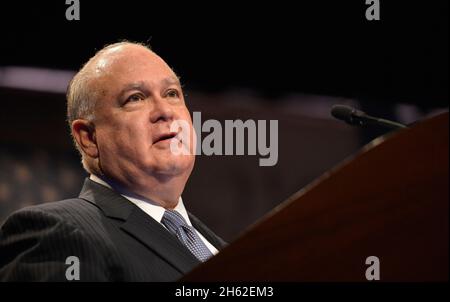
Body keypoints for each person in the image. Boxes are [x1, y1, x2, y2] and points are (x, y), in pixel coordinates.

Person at [0, 41, 226, 281]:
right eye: (135, 98)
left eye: (172, 94)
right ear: (89, 138)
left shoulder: (225, 248)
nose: (165, 111)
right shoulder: (57, 233)